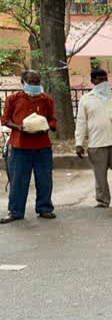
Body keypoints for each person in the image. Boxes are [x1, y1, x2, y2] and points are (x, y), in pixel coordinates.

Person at [1, 70, 57, 223]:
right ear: (23, 82)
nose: (34, 84)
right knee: (18, 180)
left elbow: (52, 120)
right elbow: (5, 119)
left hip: (42, 146)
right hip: (20, 146)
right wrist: (18, 127)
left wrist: (48, 126)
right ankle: (15, 211)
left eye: (37, 81)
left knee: (44, 179)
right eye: (31, 81)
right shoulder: (13, 99)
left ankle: (45, 208)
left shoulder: (46, 99)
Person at [74, 68, 112, 208]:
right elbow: (81, 122)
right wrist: (79, 143)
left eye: (105, 79)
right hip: (96, 143)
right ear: (92, 81)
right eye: (99, 79)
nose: (103, 82)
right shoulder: (86, 99)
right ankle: (102, 201)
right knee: (100, 175)